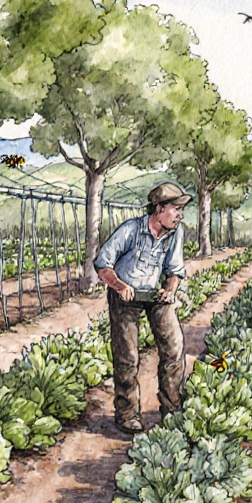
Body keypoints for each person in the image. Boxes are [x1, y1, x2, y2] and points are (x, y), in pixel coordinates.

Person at [93, 182, 192, 434]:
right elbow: (102, 263)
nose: (180, 215)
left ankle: (172, 409)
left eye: (181, 209)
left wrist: (170, 290)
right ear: (158, 209)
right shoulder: (131, 229)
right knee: (127, 356)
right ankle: (127, 414)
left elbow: (175, 269)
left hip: (155, 295)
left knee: (174, 348)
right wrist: (118, 285)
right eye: (175, 209)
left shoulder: (175, 233)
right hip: (124, 296)